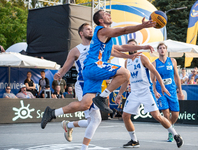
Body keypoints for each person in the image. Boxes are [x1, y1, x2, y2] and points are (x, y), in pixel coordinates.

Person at [41, 10, 155, 150]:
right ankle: (102, 98)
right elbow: (123, 30)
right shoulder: (100, 30)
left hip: (92, 73)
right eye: (106, 14)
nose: (109, 14)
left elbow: (122, 47)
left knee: (84, 105)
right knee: (125, 73)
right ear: (100, 21)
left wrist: (142, 47)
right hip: (94, 66)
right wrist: (142, 26)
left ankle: (52, 113)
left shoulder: (105, 40)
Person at [115, 39, 183, 148]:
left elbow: (155, 72)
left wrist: (163, 87)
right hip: (134, 93)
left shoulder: (142, 58)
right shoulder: (127, 62)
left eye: (133, 45)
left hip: (146, 91)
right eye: (129, 46)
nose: (131, 47)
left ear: (136, 48)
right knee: (125, 116)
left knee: (156, 116)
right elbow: (126, 80)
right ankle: (134, 140)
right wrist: (119, 94)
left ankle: (175, 135)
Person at [151, 43, 184, 142]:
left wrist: (180, 91)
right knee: (166, 114)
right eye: (160, 48)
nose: (162, 50)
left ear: (166, 50)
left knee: (175, 115)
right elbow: (152, 80)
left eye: (164, 48)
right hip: (161, 92)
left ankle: (171, 127)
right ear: (158, 50)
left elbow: (177, 77)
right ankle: (172, 132)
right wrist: (155, 91)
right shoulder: (154, 63)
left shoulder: (172, 61)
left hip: (172, 91)